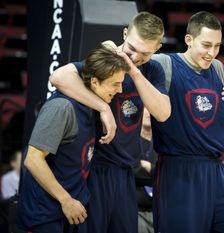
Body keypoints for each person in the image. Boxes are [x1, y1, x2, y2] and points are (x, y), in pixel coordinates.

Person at [49, 12, 170, 233]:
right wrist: (103, 107)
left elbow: (162, 113)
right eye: (131, 48)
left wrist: (133, 72)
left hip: (125, 172)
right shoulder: (108, 57)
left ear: (157, 48)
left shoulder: (152, 70)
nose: (134, 57)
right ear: (125, 33)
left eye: (144, 53)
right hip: (94, 167)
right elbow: (58, 77)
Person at [151, 11, 224, 233]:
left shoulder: (218, 68)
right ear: (189, 39)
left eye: (217, 46)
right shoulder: (165, 63)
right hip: (179, 171)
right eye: (206, 45)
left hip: (216, 171)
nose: (211, 53)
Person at [16, 44, 130, 233]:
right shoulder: (62, 108)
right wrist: (65, 200)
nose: (119, 90)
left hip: (72, 211)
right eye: (115, 84)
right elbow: (33, 159)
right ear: (94, 82)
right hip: (45, 214)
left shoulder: (91, 106)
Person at [133, 108, 156, 233]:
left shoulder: (161, 143)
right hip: (136, 210)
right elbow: (130, 171)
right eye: (144, 109)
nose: (148, 112)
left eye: (150, 109)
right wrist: (154, 174)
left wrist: (148, 166)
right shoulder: (131, 141)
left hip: (158, 211)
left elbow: (166, 174)